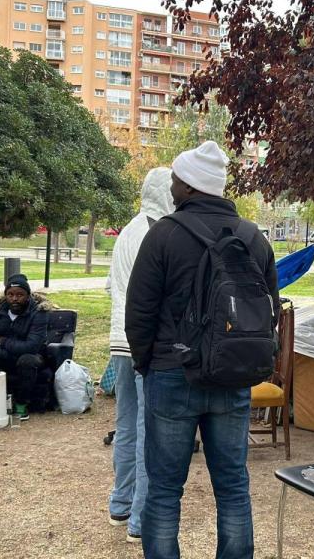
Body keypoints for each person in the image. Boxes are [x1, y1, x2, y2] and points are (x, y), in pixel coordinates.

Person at [126, 141, 278, 559]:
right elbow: (270, 312)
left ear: (189, 187)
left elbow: (138, 313)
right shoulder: (253, 238)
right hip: (232, 378)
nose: (171, 186)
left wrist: (147, 366)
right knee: (232, 487)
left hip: (172, 373)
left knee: (164, 492)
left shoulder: (164, 235)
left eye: (175, 179)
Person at [106, 167, 174, 544]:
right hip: (144, 345)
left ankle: (120, 503)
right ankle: (140, 519)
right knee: (151, 432)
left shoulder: (128, 231)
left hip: (119, 341)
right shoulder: (157, 233)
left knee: (127, 426)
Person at [0, 274, 48, 420]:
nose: (14, 298)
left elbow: (32, 346)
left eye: (20, 295)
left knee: (26, 360)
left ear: (28, 296)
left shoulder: (38, 313)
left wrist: (4, 342)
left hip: (32, 356)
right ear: (6, 295)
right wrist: (4, 353)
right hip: (4, 355)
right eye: (10, 294)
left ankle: (21, 404)